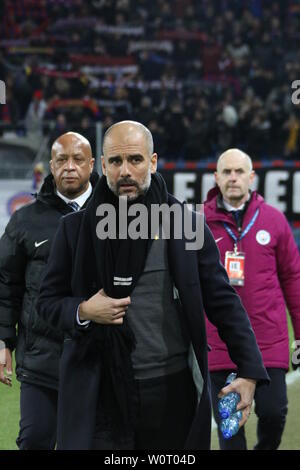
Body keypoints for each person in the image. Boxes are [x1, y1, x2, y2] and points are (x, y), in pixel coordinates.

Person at [36, 121, 269, 450]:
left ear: (154, 161)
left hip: (171, 390)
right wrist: (84, 310)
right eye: (115, 162)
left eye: (135, 159)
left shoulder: (184, 223)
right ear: (103, 166)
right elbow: (47, 302)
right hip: (101, 387)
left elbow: (222, 301)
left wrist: (248, 370)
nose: (125, 171)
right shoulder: (74, 228)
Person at [0, 132, 98, 449]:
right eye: (61, 160)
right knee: (34, 441)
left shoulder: (116, 217)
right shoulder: (25, 220)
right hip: (41, 360)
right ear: (51, 166)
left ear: (92, 164)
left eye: (77, 159)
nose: (69, 167)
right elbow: (5, 283)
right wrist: (3, 339)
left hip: (96, 360)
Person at [204, 148, 300, 450]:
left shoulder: (273, 220)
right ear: (216, 177)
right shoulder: (198, 223)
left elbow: (293, 279)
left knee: (274, 413)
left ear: (251, 178)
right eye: (227, 172)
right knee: (230, 429)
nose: (233, 178)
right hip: (221, 345)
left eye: (239, 172)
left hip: (267, 343)